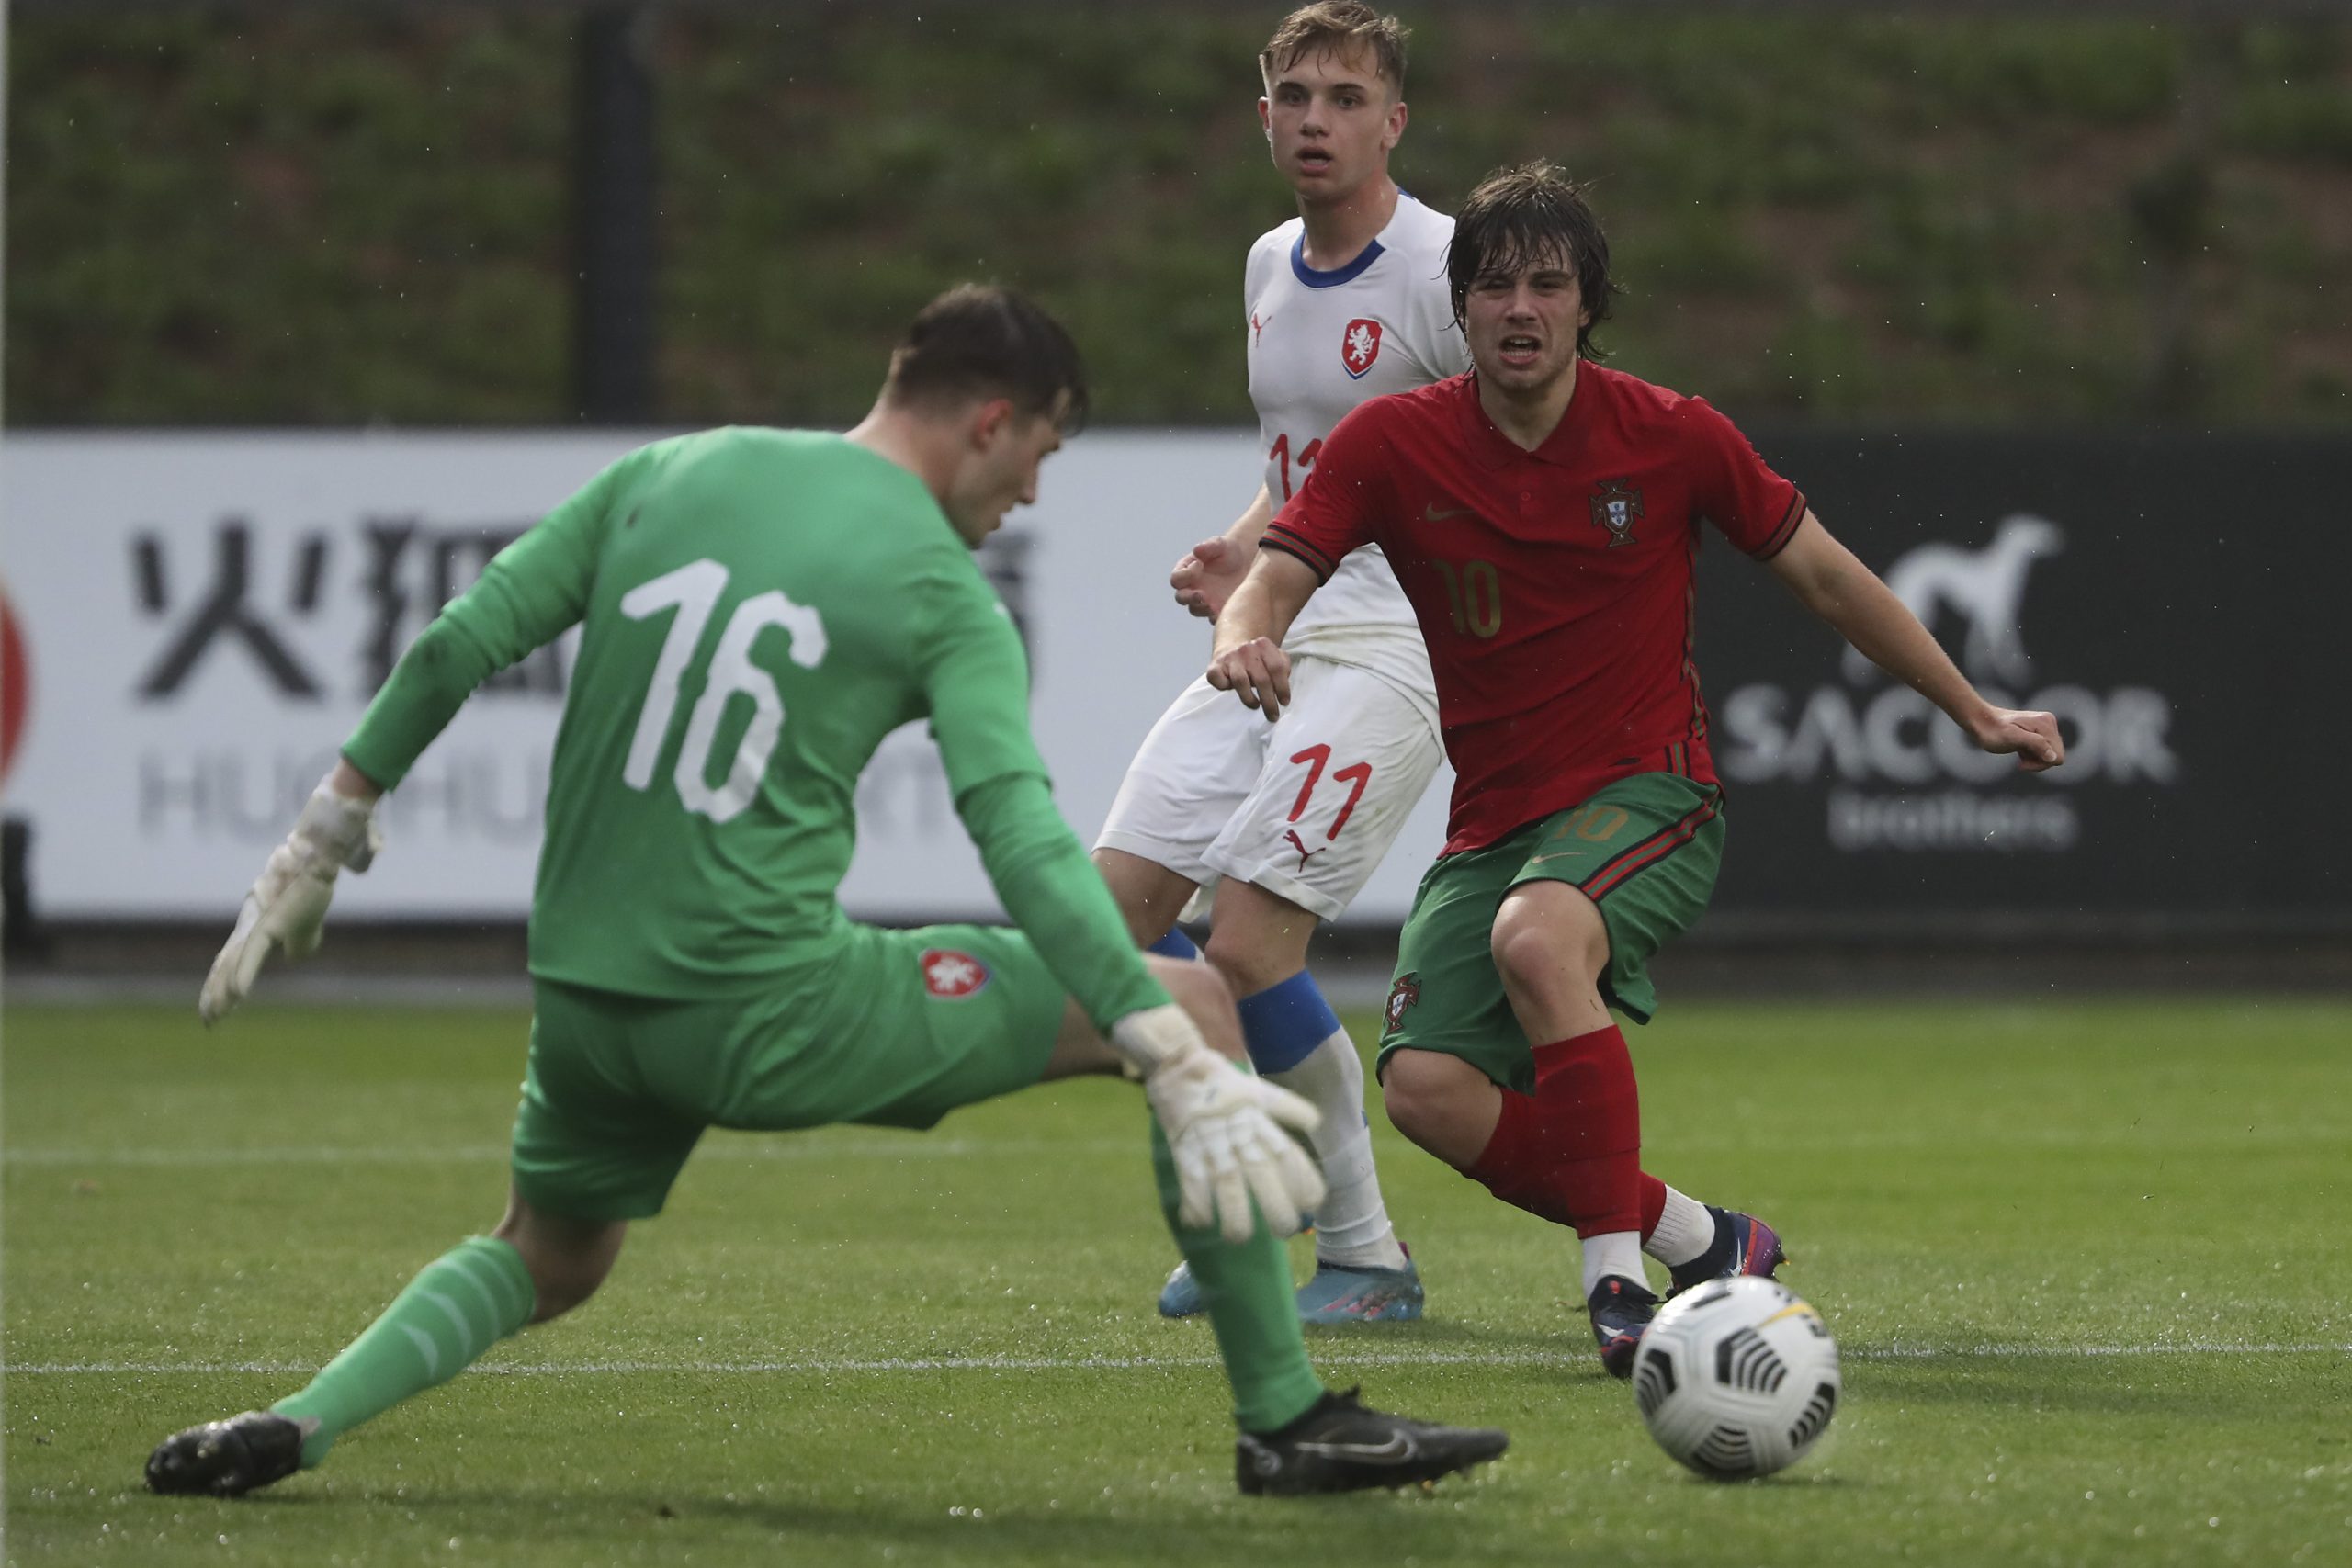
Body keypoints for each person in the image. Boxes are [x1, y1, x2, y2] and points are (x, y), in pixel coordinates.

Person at [143, 285, 1509, 1499]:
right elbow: (1025, 843)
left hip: (582, 1005)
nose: (1029, 496)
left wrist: (323, 831)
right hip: (760, 1006)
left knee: (550, 1256)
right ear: (991, 421)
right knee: (1199, 999)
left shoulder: (670, 473)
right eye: (1039, 455)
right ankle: (1286, 1422)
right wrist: (1162, 1046)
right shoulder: (938, 589)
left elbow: (455, 644)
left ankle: (291, 1425)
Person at [1208, 164, 2067, 1374]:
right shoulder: (1392, 441)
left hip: (1650, 791)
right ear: (1458, 307)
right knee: (1431, 1092)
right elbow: (1281, 567)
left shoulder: (1672, 433)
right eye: (1496, 285)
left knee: (1537, 941)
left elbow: (1826, 576)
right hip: (1496, 825)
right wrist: (1247, 629)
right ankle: (1703, 1239)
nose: (1521, 307)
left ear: (1585, 306)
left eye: (1548, 286)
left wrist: (1972, 708)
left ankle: (1616, 1288)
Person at [1093, 1, 1459, 1326]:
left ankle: (1365, 1258)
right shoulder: (1265, 263)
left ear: (1393, 121)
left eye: (1346, 98)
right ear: (1263, 115)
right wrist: (1247, 550)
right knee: (1108, 931)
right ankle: (1267, 1193)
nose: (1317, 119)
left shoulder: (1445, 269)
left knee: (1248, 940)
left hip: (1398, 646)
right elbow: (1307, 466)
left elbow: (1530, 444)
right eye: (1295, 96)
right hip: (1276, 631)